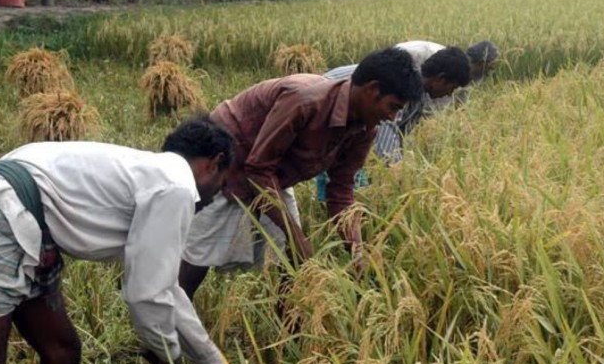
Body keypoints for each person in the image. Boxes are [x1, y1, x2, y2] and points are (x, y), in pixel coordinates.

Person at [0, 117, 235, 364]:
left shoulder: (155, 173)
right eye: (222, 184)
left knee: (62, 354)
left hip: (24, 223)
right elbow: (146, 296)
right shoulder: (177, 187)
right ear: (214, 163)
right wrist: (169, 360)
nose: (215, 197)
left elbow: (165, 288)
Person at [178, 47, 422, 302]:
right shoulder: (306, 100)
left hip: (272, 172)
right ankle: (168, 325)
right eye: (392, 106)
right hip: (228, 159)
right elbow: (257, 168)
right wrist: (296, 236)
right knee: (199, 255)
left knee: (294, 258)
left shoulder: (365, 129)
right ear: (372, 89)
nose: (392, 117)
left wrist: (357, 250)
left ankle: (290, 333)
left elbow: (340, 190)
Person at [315, 43, 471, 199]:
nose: (449, 95)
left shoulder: (417, 94)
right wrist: (399, 182)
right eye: (452, 87)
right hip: (323, 105)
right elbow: (388, 146)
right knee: (338, 176)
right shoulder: (399, 91)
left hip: (345, 117)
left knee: (350, 174)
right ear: (441, 79)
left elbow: (400, 135)